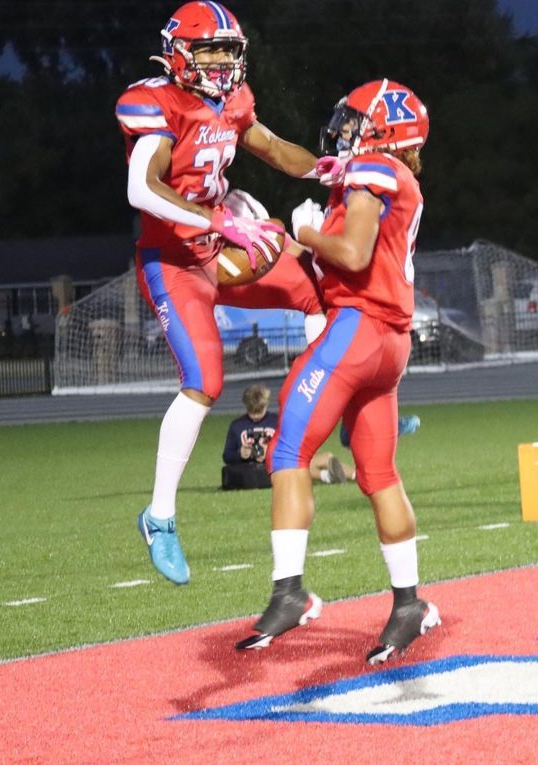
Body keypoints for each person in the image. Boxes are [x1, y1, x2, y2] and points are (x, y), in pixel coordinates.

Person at [116, 2, 341, 585]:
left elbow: (273, 149)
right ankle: (159, 516)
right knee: (206, 383)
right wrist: (221, 222)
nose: (220, 62)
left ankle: (312, 424)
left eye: (228, 50)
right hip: (175, 262)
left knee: (317, 291)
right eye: (209, 49)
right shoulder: (155, 103)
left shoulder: (232, 102)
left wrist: (329, 169)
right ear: (178, 52)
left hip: (224, 253)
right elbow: (143, 190)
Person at [235, 79, 440, 664]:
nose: (345, 129)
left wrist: (304, 231)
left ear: (383, 129)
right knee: (378, 474)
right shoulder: (391, 178)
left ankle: (290, 592)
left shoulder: (373, 170)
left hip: (358, 331)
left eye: (356, 120)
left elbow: (350, 253)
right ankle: (408, 603)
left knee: (287, 451)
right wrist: (282, 239)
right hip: (391, 345)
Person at [222, 384, 353, 489]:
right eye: (252, 412)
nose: (255, 415)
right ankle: (327, 476)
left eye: (259, 411)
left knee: (326, 457)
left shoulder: (277, 420)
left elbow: (292, 444)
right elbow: (227, 456)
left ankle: (357, 476)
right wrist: (241, 454)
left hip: (280, 458)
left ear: (266, 405)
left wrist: (270, 451)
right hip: (262, 469)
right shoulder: (236, 426)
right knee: (292, 465)